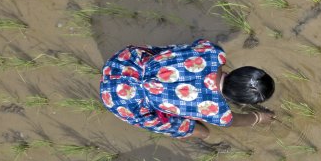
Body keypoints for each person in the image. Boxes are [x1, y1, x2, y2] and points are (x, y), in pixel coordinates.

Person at [100, 39, 276, 139]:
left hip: (124, 64)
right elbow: (233, 121)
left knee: (173, 54)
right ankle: (201, 137)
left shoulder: (214, 52)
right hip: (122, 101)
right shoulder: (219, 114)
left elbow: (197, 45)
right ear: (238, 100)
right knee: (201, 131)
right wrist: (260, 117)